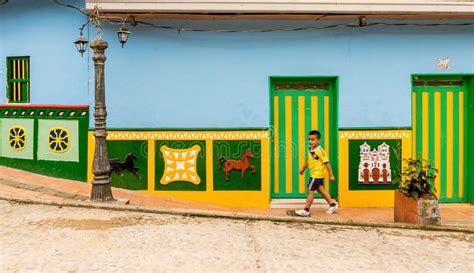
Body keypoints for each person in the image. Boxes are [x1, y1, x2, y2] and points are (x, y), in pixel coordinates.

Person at [295, 130, 338, 217]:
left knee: (310, 191)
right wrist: (303, 168)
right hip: (314, 174)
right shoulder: (310, 149)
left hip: (316, 175)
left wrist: (331, 175)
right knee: (320, 190)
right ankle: (333, 205)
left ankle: (306, 210)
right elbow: (309, 160)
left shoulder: (320, 151)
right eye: (309, 139)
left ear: (318, 140)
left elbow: (327, 163)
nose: (310, 141)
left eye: (313, 139)